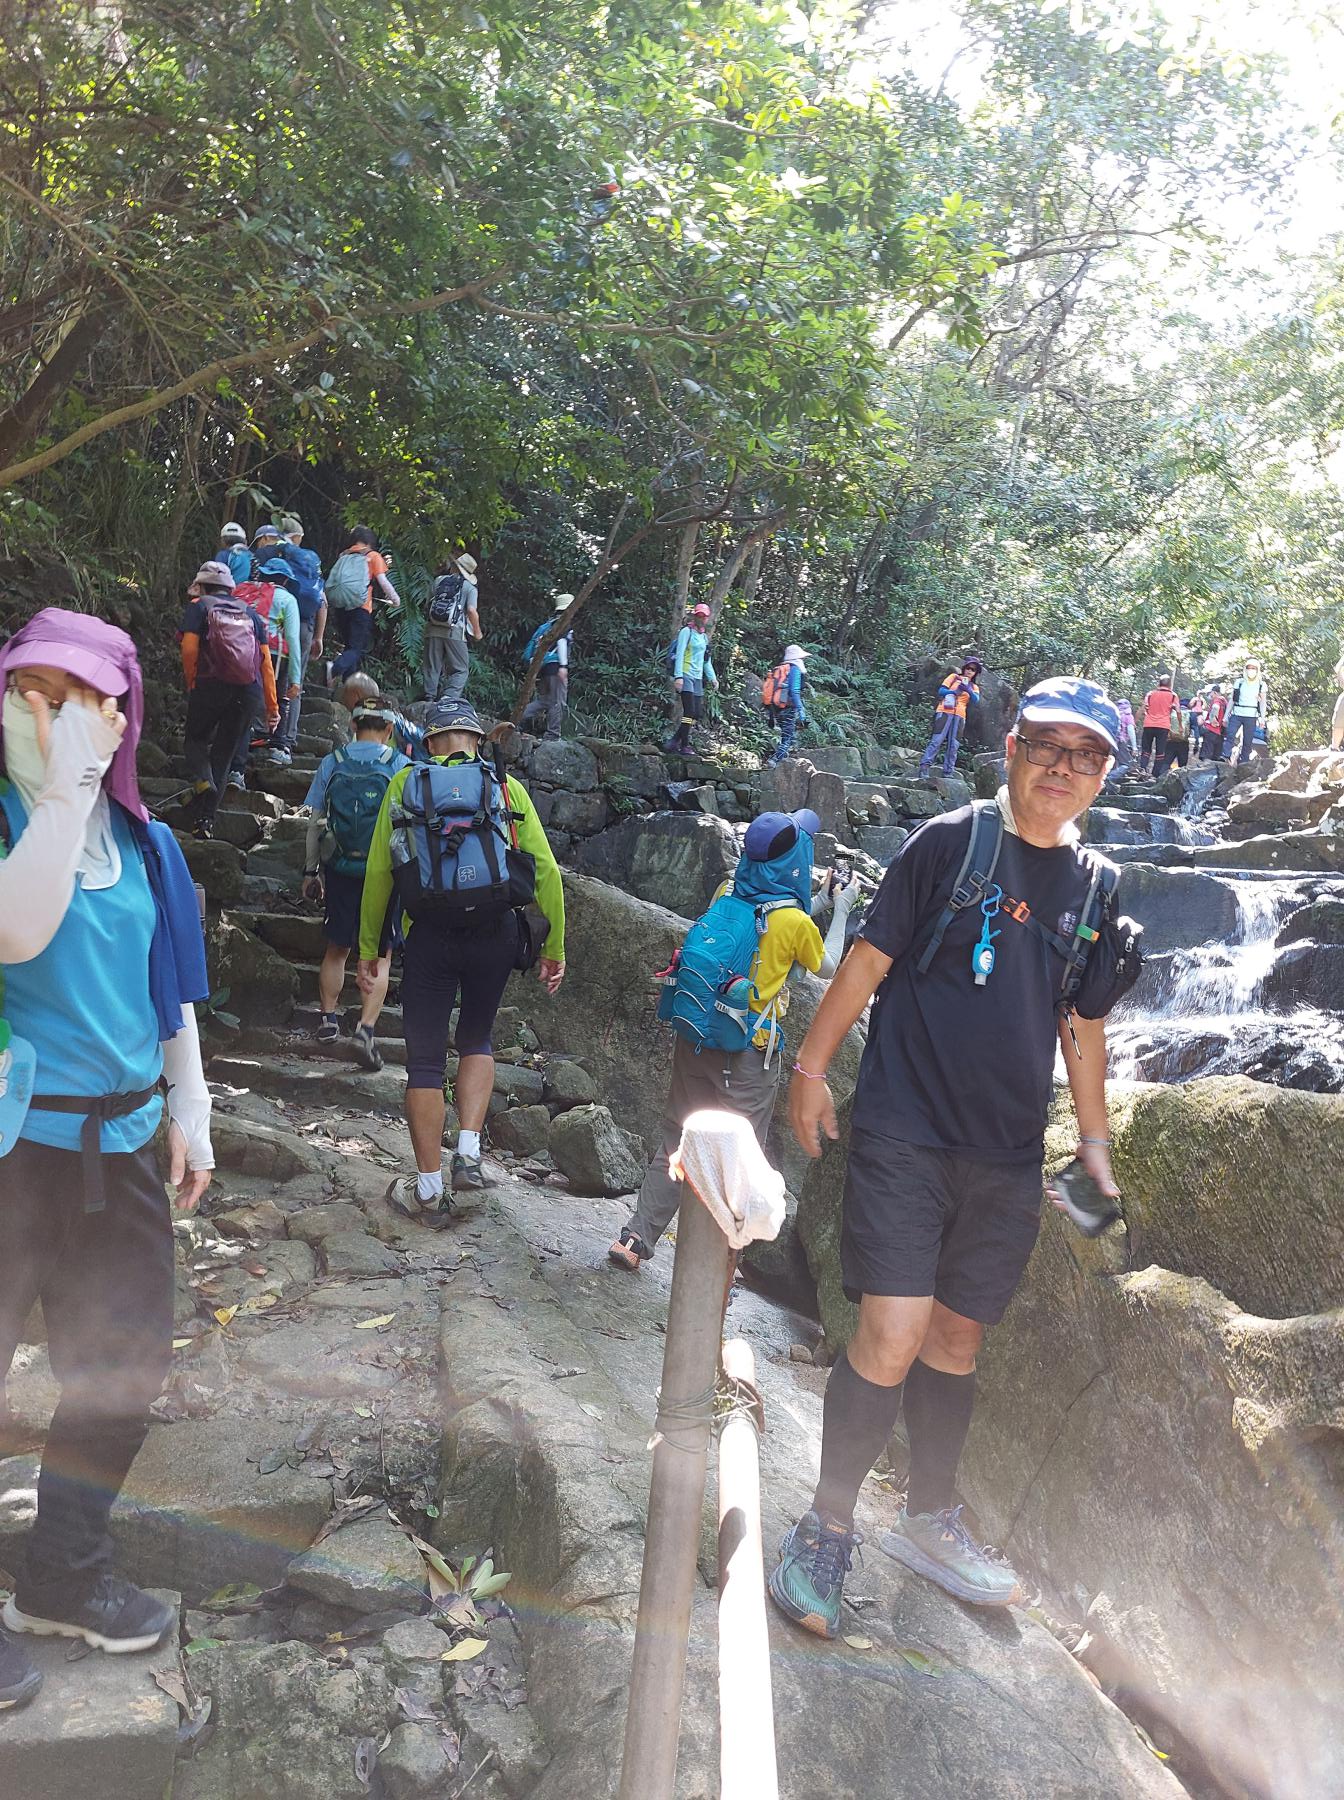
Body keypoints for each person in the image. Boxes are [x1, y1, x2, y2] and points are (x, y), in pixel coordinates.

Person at [770, 677, 1128, 1638]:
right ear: (1011, 748)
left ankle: (928, 1518)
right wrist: (811, 1069)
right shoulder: (950, 842)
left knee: (956, 1342)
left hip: (1006, 1154)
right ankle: (827, 1525)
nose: (1062, 768)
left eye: (1086, 756)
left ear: (1103, 775)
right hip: (905, 1129)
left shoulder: (1097, 887)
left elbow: (1083, 1026)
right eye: (1046, 746)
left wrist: (1093, 1144)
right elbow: (868, 960)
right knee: (891, 1332)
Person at [0, 609, 213, 1709]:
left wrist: (192, 1105)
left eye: (76, 700)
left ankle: (62, 1574)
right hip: (11, 1150)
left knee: (123, 1371)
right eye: (28, 692)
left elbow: (167, 987)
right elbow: (17, 932)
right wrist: (57, 793)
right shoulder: (13, 817)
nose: (46, 717)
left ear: (119, 717)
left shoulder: (146, 845)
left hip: (120, 1146)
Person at [609, 810, 859, 1271]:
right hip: (748, 1055)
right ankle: (715, 1275)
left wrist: (818, 901)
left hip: (698, 1037)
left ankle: (634, 1238)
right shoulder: (795, 923)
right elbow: (826, 965)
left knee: (677, 1138)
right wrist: (840, 909)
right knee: (737, 1161)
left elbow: (763, 922)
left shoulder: (726, 891)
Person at [357, 700, 565, 1215]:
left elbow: (379, 874)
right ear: (476, 739)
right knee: (477, 1036)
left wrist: (370, 949)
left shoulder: (405, 785)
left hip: (430, 936)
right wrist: (553, 948)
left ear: (430, 743)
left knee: (426, 1061)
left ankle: (429, 1191)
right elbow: (546, 872)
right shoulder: (503, 787)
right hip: (495, 932)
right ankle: (468, 1155)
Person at [302, 703, 410, 1070]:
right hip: (385, 874)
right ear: (389, 730)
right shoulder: (400, 766)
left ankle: (328, 1019)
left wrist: (311, 871)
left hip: (341, 867)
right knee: (381, 954)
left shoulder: (332, 762)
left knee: (337, 947)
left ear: (353, 724)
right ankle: (365, 1029)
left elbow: (315, 822)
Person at [178, 561, 279, 837]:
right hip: (248, 690)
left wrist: (192, 680)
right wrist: (272, 707)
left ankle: (203, 780)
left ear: (202, 585)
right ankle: (205, 822)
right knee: (224, 754)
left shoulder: (199, 606)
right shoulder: (251, 613)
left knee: (196, 739)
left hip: (210, 683)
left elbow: (189, 648)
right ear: (230, 588)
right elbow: (266, 663)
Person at [326, 527, 401, 686]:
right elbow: (383, 582)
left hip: (341, 607)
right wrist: (396, 600)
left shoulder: (344, 555)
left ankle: (348, 686)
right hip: (361, 608)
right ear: (369, 541)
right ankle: (334, 668)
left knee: (350, 647)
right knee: (356, 649)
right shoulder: (373, 556)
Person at [278, 516, 327, 717]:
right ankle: (289, 733)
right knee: (295, 680)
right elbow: (322, 601)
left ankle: (266, 728)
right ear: (297, 536)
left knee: (272, 675)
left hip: (278, 624)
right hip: (305, 625)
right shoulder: (310, 563)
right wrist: (319, 637)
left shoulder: (276, 556)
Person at [422, 553, 481, 704]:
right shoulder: (470, 588)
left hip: (433, 629)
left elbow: (428, 604)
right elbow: (471, 610)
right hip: (455, 632)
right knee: (461, 669)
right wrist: (477, 632)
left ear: (454, 567)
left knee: (432, 665)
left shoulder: (438, 581)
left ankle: (429, 697)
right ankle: (448, 698)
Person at [665, 602, 718, 757]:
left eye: (704, 616)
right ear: (695, 616)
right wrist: (679, 676)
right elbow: (680, 654)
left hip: (697, 677)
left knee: (696, 713)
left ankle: (674, 740)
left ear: (707, 618)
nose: (701, 618)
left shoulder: (704, 637)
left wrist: (713, 678)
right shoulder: (686, 632)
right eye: (699, 615)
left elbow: (706, 661)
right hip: (685, 674)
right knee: (689, 711)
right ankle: (684, 745)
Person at [918, 658, 982, 779]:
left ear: (975, 673)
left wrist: (968, 689)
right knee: (937, 740)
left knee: (954, 745)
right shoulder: (953, 677)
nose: (970, 671)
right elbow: (941, 691)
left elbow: (976, 700)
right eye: (968, 668)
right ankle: (924, 767)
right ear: (964, 668)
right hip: (945, 710)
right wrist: (954, 692)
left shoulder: (974, 687)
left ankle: (948, 771)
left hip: (960, 715)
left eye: (973, 670)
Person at [521, 595, 574, 740]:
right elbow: (562, 643)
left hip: (542, 667)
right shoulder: (564, 624)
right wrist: (563, 666)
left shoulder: (549, 624)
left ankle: (516, 719)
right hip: (556, 667)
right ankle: (553, 734)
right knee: (558, 701)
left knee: (544, 701)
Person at [764, 644, 810, 766]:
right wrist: (800, 709)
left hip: (776, 707)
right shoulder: (794, 669)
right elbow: (794, 691)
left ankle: (783, 764)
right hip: (788, 706)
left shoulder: (780, 669)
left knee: (788, 736)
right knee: (788, 738)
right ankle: (774, 761)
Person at [1225, 659, 1268, 766]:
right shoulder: (1239, 682)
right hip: (1237, 713)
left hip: (1251, 716)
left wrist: (1262, 719)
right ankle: (1225, 756)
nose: (1251, 670)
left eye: (1253, 668)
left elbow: (1263, 703)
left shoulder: (1261, 685)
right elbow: (1232, 700)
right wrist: (1226, 716)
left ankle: (1243, 762)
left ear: (1257, 670)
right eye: (1249, 668)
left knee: (1247, 741)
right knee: (1230, 735)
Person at [1138, 675, 1178, 776]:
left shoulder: (1150, 694)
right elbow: (1178, 711)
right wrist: (1180, 725)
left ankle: (1142, 769)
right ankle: (1155, 774)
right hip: (1163, 726)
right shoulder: (1173, 695)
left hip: (1148, 724)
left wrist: (1135, 721)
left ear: (1158, 683)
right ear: (1169, 685)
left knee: (1146, 749)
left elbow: (1143, 708)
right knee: (1160, 751)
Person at [1156, 697, 1191, 777]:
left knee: (1166, 762)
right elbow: (1195, 727)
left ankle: (1160, 778)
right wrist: (1196, 743)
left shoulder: (1171, 713)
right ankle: (1181, 780)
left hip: (1170, 741)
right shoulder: (1190, 714)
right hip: (1183, 742)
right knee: (1182, 765)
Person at [216, 522, 252, 587]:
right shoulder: (250, 555)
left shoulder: (224, 555)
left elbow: (217, 576)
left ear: (223, 541)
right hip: (248, 591)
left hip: (229, 590)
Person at [1200, 683, 1228, 762]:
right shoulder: (1224, 702)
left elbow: (1215, 707)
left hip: (1211, 730)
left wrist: (1212, 719)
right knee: (1215, 757)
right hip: (1220, 733)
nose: (1209, 695)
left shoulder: (1217, 701)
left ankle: (1205, 768)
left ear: (1215, 692)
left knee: (1207, 756)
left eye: (1210, 693)